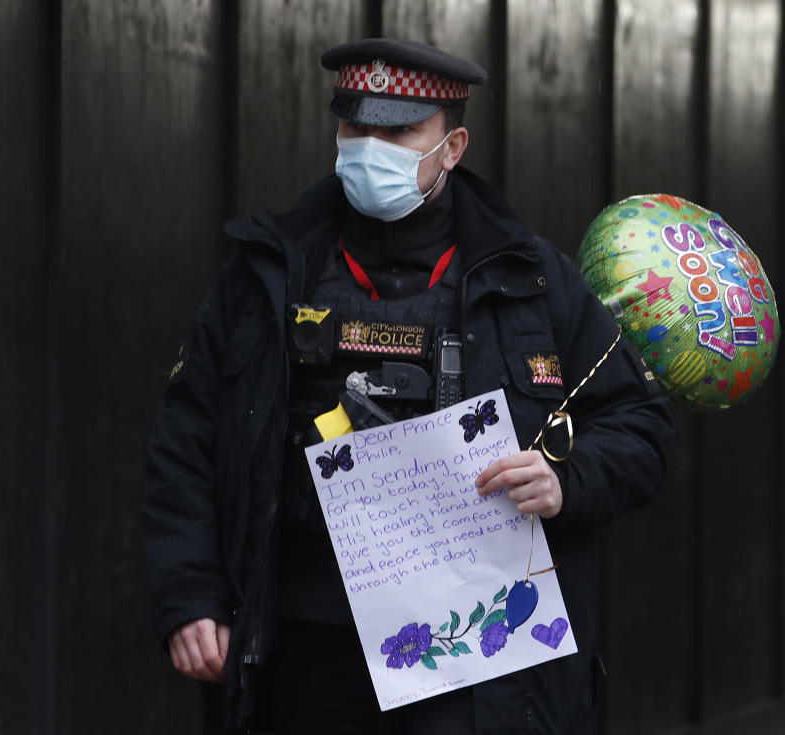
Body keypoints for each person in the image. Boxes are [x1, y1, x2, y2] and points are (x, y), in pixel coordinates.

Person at [144, 38, 673, 735]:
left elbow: (641, 427)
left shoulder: (531, 281)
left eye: (397, 132)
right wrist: (190, 594)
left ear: (451, 147)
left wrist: (563, 477)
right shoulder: (268, 275)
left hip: (476, 663)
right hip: (302, 650)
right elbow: (186, 439)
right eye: (354, 127)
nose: (370, 148)